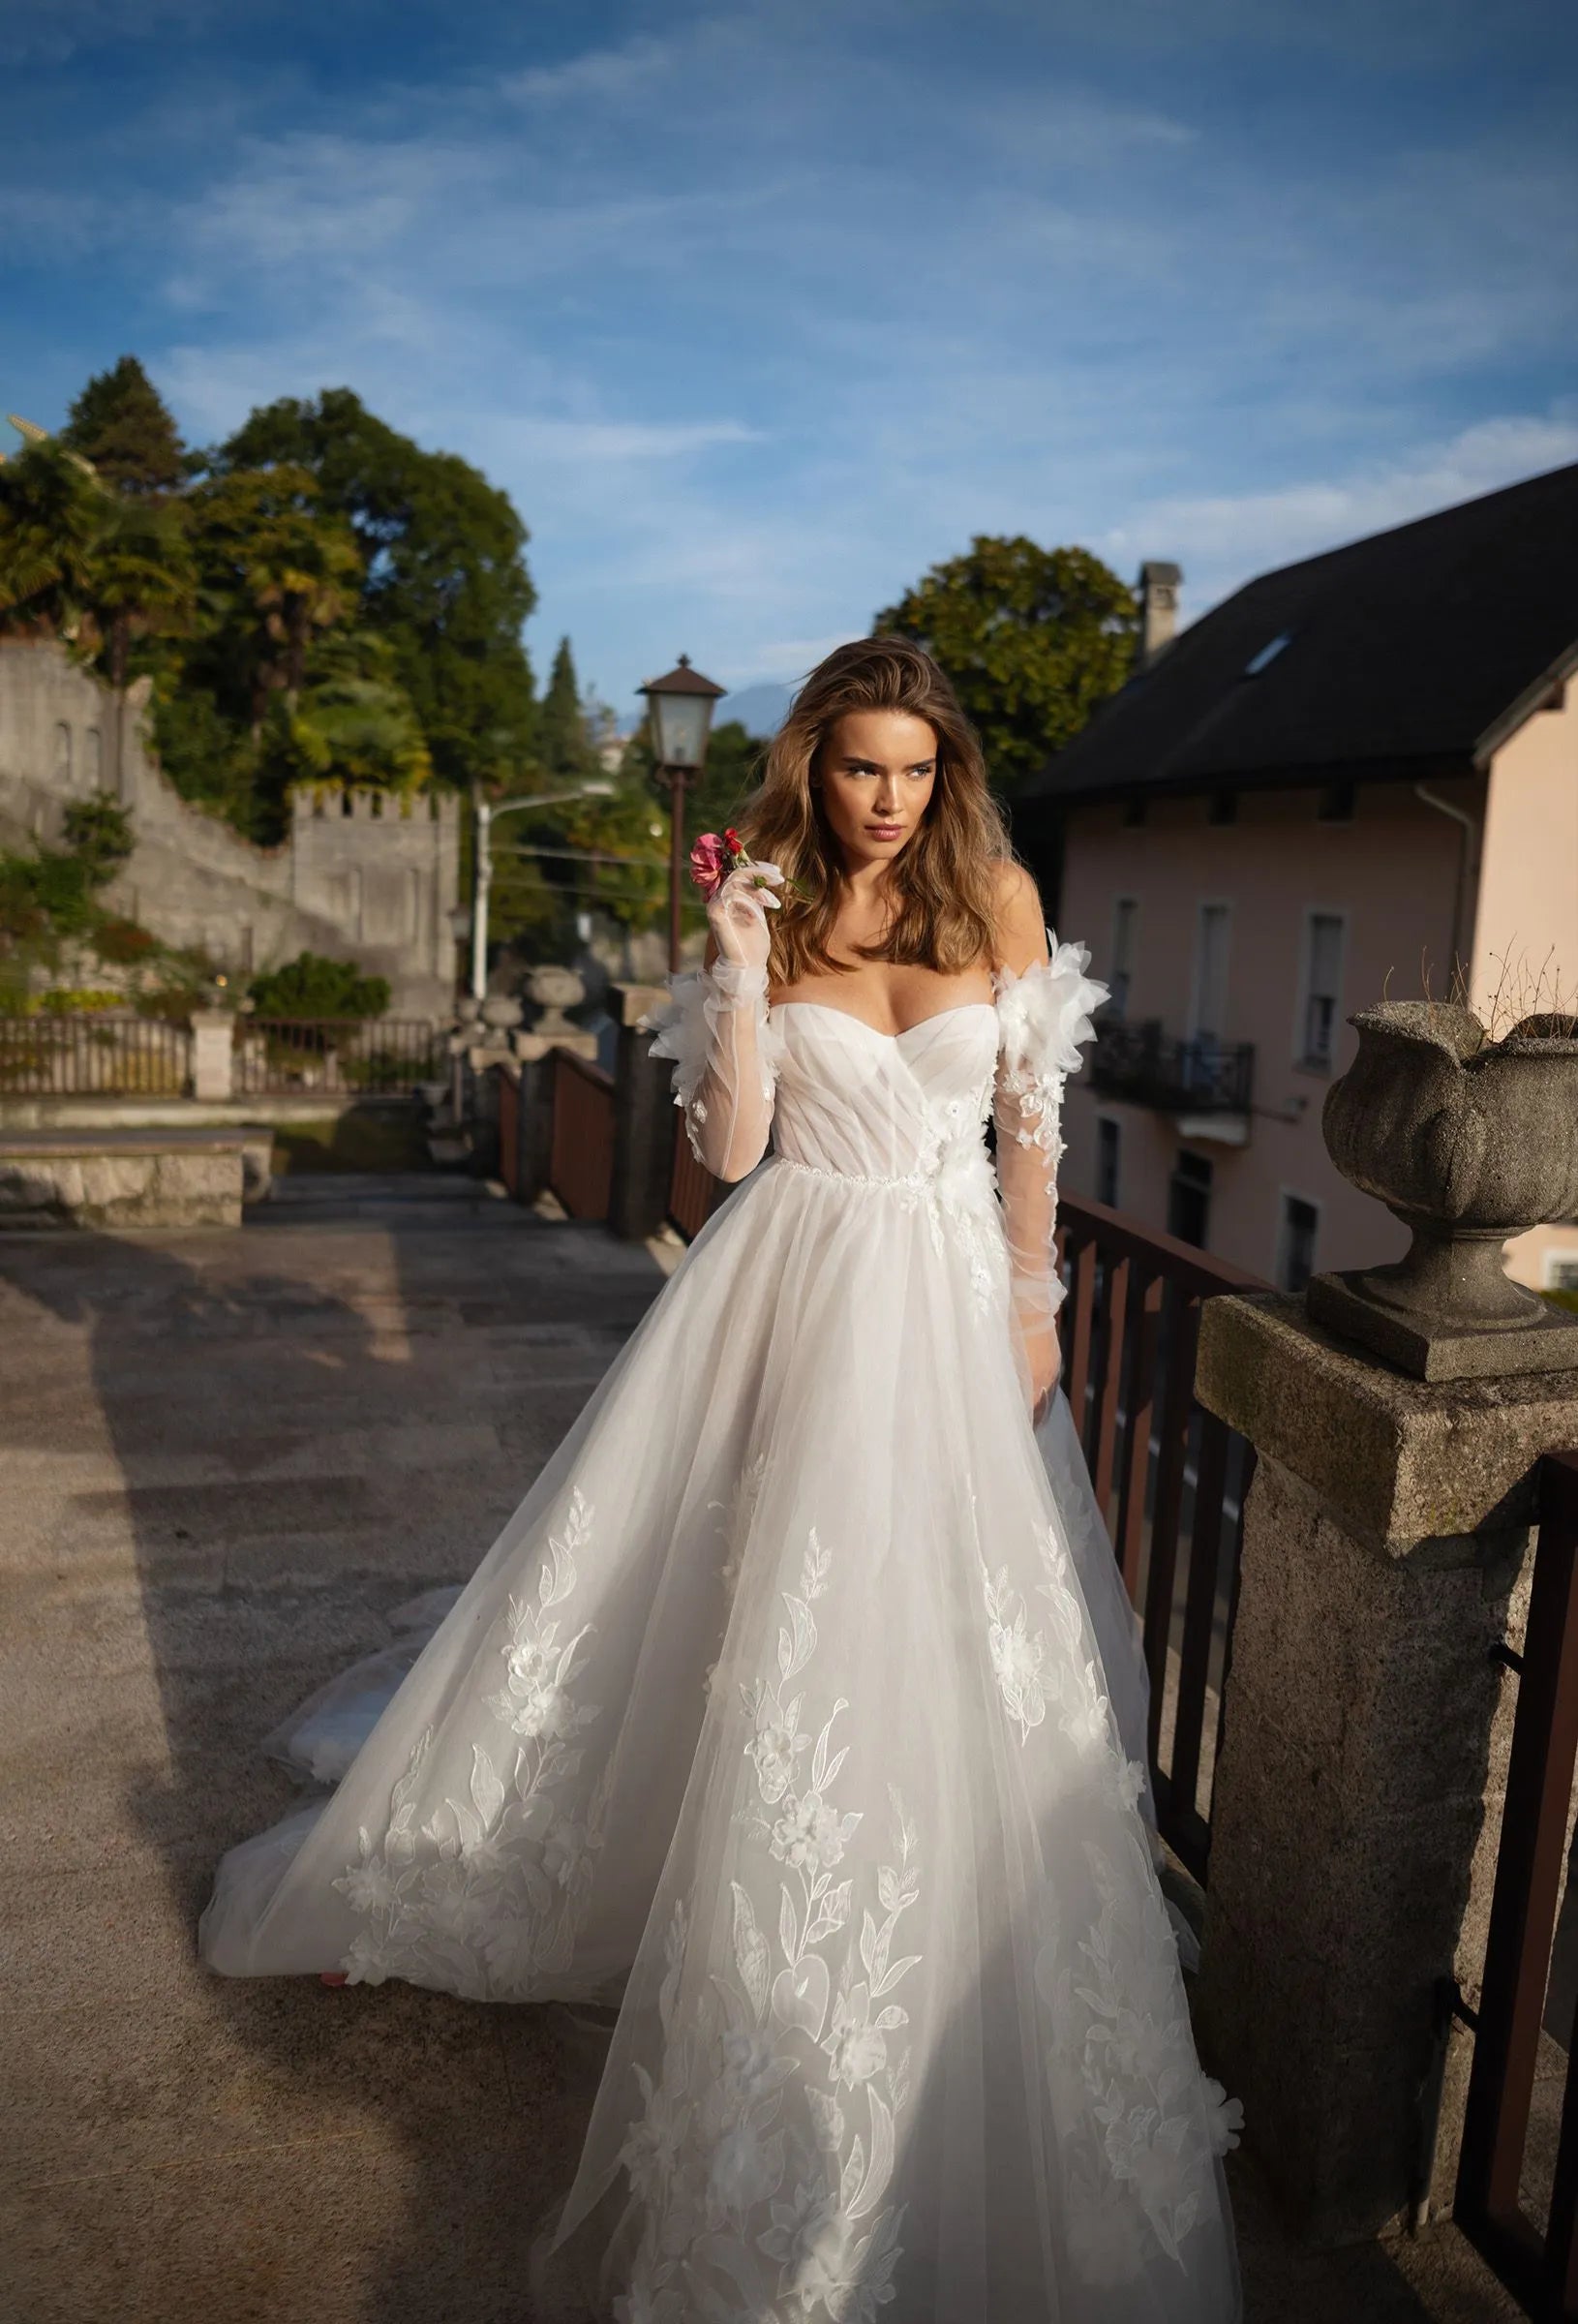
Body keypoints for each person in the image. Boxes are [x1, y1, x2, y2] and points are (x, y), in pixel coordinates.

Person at [199, 637, 1242, 2321]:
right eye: (857, 769)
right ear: (808, 764)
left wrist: (1038, 1306)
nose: (887, 802)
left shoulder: (1000, 899)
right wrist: (740, 962)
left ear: (945, 772)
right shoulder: (764, 901)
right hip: (793, 1288)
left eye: (913, 769)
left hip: (951, 1291)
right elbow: (732, 1154)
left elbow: (1031, 1124)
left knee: (946, 1638)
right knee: (745, 1592)